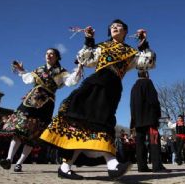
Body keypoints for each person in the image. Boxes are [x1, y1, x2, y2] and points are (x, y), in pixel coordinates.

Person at [40, 19, 156, 180]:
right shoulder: (102, 46)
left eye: (119, 26)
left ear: (125, 32)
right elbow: (84, 60)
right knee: (85, 121)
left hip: (112, 88)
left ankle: (66, 167)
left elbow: (147, 63)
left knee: (94, 124)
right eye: (112, 26)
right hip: (95, 84)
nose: (115, 27)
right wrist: (88, 40)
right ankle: (112, 165)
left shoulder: (131, 52)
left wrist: (143, 43)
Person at [0, 48, 82, 172]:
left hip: (47, 103)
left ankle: (19, 163)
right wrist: (21, 70)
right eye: (47, 53)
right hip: (31, 99)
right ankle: (9, 159)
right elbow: (29, 79)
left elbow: (71, 81)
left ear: (57, 57)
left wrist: (79, 69)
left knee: (34, 134)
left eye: (52, 54)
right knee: (19, 129)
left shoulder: (62, 72)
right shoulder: (39, 69)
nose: (49, 55)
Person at [130, 70, 167, 172]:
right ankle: (157, 166)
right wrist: (158, 114)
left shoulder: (133, 87)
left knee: (140, 143)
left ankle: (142, 167)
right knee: (154, 141)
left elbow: (132, 105)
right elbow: (154, 100)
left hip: (138, 120)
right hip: (150, 119)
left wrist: (133, 120)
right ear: (146, 74)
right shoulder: (148, 83)